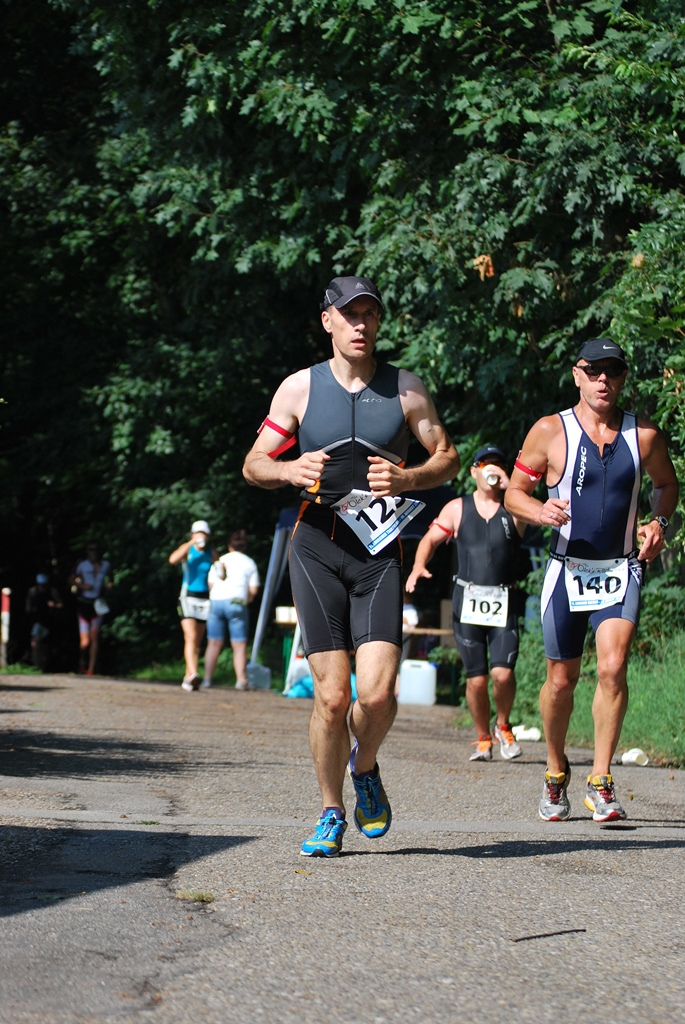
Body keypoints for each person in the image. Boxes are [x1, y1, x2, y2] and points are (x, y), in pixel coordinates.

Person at [243, 275, 459, 857]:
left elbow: (447, 456)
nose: (361, 324)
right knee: (334, 697)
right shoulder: (299, 389)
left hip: (378, 554)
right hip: (315, 546)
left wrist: (410, 477)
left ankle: (365, 767)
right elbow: (253, 463)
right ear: (328, 321)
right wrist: (288, 470)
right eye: (350, 314)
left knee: (379, 695)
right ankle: (330, 811)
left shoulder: (406, 389)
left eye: (370, 314)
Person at [504, 338, 678, 823]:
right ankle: (555, 770)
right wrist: (539, 510)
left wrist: (659, 523)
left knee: (613, 668)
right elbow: (514, 493)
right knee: (561, 680)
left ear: (623, 378)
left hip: (620, 568)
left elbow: (667, 485)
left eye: (613, 371)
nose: (604, 380)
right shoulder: (549, 431)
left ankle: (600, 779)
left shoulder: (644, 435)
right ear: (576, 374)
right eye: (594, 370)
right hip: (567, 570)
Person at [406, 444, 528, 762]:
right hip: (468, 603)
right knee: (476, 679)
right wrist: (418, 566)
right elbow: (430, 539)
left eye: (498, 464)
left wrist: (510, 487)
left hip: (503, 601)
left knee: (502, 675)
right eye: (485, 464)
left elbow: (539, 513)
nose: (492, 469)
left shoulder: (515, 509)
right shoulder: (457, 508)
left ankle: (503, 725)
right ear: (474, 471)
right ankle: (483, 738)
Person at [201, 529, 261, 691]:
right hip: (236, 602)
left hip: (216, 601)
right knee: (239, 644)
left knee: (213, 642)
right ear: (244, 546)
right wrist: (247, 599)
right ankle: (241, 680)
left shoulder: (220, 560)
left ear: (229, 545)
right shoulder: (249, 562)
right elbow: (253, 589)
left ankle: (207, 679)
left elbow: (210, 584)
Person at [168, 521, 219, 691]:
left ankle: (188, 677)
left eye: (204, 534)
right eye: (198, 533)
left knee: (197, 641)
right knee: (190, 636)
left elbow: (221, 572)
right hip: (187, 596)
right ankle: (194, 673)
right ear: (192, 534)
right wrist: (191, 542)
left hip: (204, 599)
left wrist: (221, 570)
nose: (201, 536)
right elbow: (172, 559)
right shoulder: (188, 549)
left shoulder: (211, 552)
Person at [69, 542, 113, 676]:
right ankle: (82, 663)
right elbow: (71, 579)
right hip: (84, 604)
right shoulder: (82, 564)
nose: (93, 552)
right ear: (87, 552)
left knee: (95, 636)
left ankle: (91, 669)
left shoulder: (106, 565)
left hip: (98, 604)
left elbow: (111, 579)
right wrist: (82, 586)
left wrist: (108, 586)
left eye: (95, 550)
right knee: (85, 641)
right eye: (90, 550)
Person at [25, 573, 63, 671]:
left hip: (49, 621)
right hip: (36, 621)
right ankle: (37, 666)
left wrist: (53, 605)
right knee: (35, 643)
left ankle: (43, 666)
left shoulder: (52, 591)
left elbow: (60, 605)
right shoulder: (32, 591)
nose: (42, 587)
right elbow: (28, 608)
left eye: (44, 585)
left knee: (46, 645)